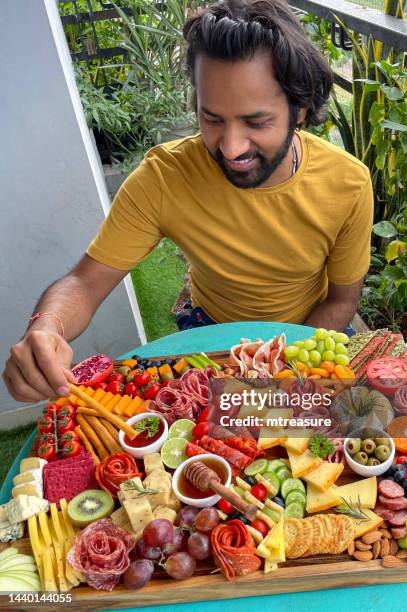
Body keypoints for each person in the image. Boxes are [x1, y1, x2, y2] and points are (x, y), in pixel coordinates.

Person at [3, 0, 373, 403]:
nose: (231, 149)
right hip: (208, 326)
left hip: (308, 331)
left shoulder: (347, 184)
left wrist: (274, 365)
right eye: (212, 118)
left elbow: (342, 301)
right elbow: (85, 282)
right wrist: (46, 326)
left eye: (256, 122)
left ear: (300, 109)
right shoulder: (164, 177)